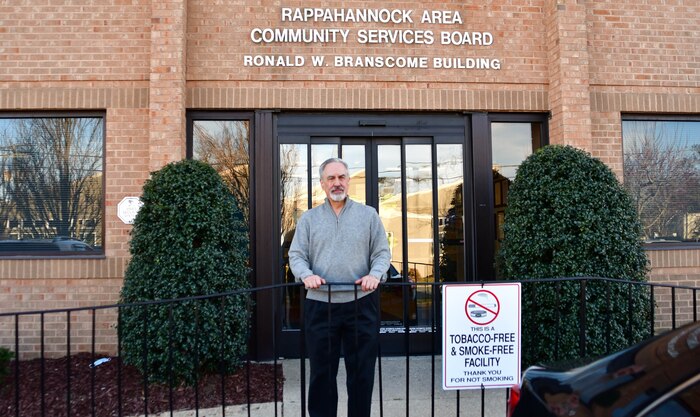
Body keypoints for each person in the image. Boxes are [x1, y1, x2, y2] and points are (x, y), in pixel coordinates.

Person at [289, 157, 391, 417]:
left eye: (342, 177)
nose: (337, 183)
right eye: (331, 178)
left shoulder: (368, 215)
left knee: (362, 374)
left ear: (348, 180)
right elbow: (296, 255)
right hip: (320, 305)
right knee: (322, 375)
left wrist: (375, 274)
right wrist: (305, 275)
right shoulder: (309, 219)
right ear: (322, 184)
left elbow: (382, 253)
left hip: (361, 304)